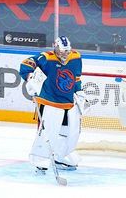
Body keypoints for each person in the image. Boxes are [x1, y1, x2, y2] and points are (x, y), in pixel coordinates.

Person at [19, 36, 92, 173]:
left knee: (69, 132)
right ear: (55, 48)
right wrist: (30, 77)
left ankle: (60, 156)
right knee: (47, 133)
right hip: (49, 102)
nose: (64, 55)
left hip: (67, 103)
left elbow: (76, 78)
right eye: (61, 52)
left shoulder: (76, 57)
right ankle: (40, 160)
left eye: (66, 52)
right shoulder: (47, 58)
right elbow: (26, 64)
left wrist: (80, 92)